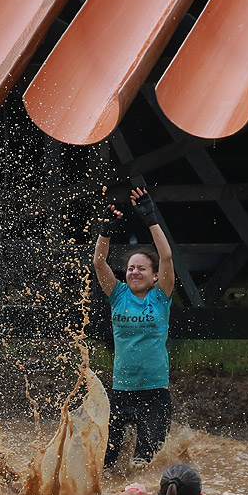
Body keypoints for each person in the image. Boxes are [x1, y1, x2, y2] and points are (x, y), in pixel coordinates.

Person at [93, 187, 175, 467]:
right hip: (121, 392)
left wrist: (151, 218)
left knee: (144, 466)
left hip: (155, 395)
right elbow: (98, 261)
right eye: (130, 268)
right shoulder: (117, 295)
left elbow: (166, 257)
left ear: (154, 276)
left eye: (141, 268)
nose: (134, 272)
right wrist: (105, 230)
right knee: (107, 466)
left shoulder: (160, 296)